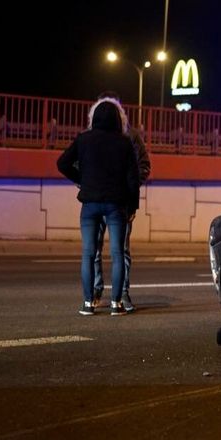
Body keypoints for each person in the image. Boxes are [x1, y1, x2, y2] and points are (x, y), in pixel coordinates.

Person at [57, 100, 140, 316]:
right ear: (116, 119)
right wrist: (133, 207)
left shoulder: (84, 139)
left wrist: (82, 180)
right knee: (117, 254)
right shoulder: (124, 143)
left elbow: (62, 163)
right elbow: (133, 179)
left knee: (88, 253)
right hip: (116, 205)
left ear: (94, 119)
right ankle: (116, 304)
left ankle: (88, 303)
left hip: (90, 204)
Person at [87, 93, 151, 312]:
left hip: (120, 202)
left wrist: (130, 190)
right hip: (98, 199)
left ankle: (122, 294)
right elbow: (80, 163)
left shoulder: (130, 137)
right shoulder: (91, 136)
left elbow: (143, 165)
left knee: (121, 250)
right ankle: (96, 292)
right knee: (95, 249)